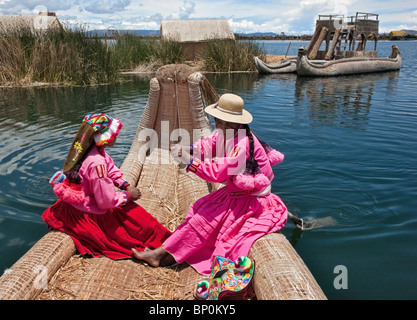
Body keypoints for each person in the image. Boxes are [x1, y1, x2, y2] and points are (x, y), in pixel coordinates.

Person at [132, 93, 288, 275]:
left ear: (234, 123)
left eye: (221, 121)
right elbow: (209, 143)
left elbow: (216, 172)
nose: (217, 124)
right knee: (200, 209)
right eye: (217, 120)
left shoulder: (242, 145)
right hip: (234, 193)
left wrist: (190, 161)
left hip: (250, 202)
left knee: (203, 220)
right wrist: (189, 149)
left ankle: (159, 256)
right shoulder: (227, 132)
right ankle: (164, 254)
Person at [42, 113, 171, 260]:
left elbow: (110, 167)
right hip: (91, 213)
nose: (116, 136)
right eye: (114, 134)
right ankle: (163, 251)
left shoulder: (87, 150)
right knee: (143, 226)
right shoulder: (96, 163)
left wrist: (124, 184)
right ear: (104, 137)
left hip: (75, 206)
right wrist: (128, 196)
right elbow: (105, 201)